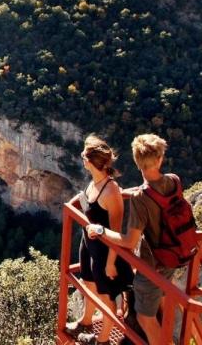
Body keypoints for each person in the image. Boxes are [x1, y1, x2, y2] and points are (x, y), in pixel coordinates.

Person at [88, 134, 185, 345]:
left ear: (136, 161)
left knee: (145, 317)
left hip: (153, 265)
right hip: (175, 254)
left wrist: (101, 230)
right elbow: (157, 194)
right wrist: (132, 193)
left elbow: (129, 241)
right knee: (163, 303)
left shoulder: (141, 200)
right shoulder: (174, 180)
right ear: (160, 159)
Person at [66, 136, 133, 344]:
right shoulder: (95, 182)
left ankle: (102, 341)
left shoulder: (111, 190)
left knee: (106, 298)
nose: (81, 159)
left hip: (105, 252)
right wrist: (71, 204)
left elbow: (116, 231)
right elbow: (86, 200)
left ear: (90, 161)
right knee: (88, 284)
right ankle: (86, 320)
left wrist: (111, 263)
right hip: (89, 245)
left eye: (84, 156)